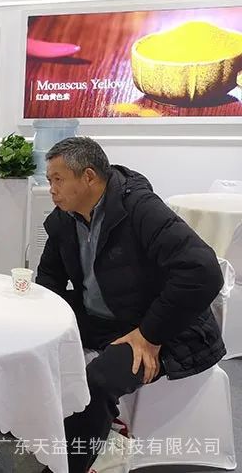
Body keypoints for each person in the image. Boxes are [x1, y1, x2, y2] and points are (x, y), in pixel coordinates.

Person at [35, 137, 225, 473]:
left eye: (58, 179)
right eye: (50, 180)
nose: (52, 189)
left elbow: (203, 271)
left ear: (89, 177)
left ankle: (66, 466)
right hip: (102, 317)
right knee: (32, 346)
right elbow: (49, 277)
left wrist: (149, 334)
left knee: (97, 382)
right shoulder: (65, 218)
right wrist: (44, 326)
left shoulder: (139, 208)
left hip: (162, 326)